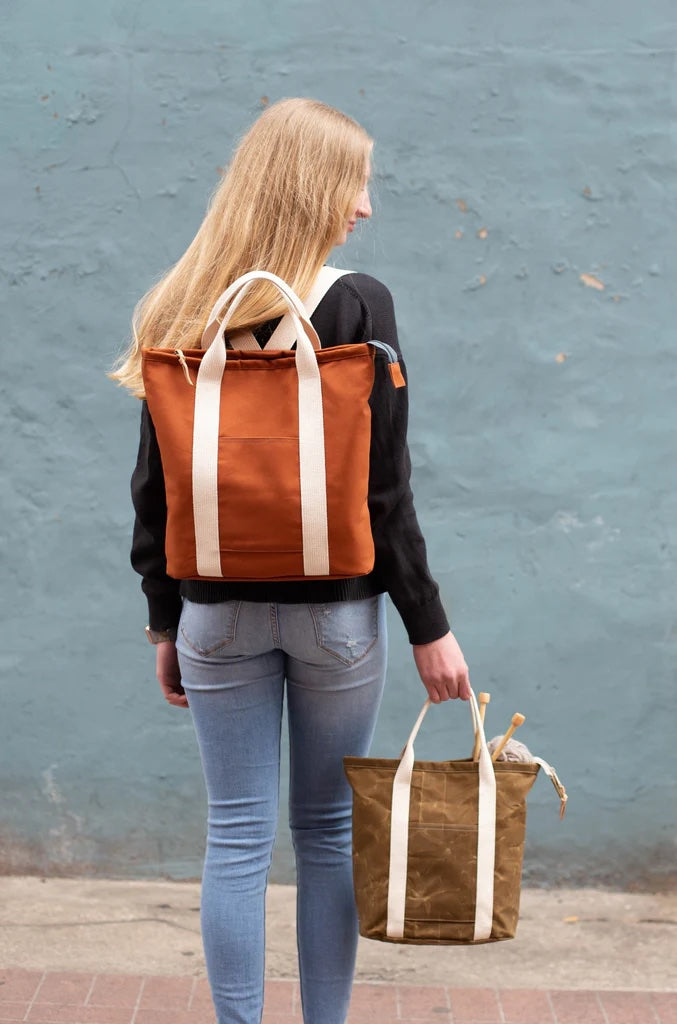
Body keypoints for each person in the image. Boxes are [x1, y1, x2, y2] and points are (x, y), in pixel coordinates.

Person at [111, 97, 471, 1024]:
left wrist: (164, 619)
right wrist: (427, 627)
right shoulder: (359, 303)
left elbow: (154, 490)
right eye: (355, 181)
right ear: (312, 186)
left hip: (214, 614)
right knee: (323, 836)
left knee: (234, 837)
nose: (364, 205)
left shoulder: (182, 303)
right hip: (337, 616)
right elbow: (382, 494)